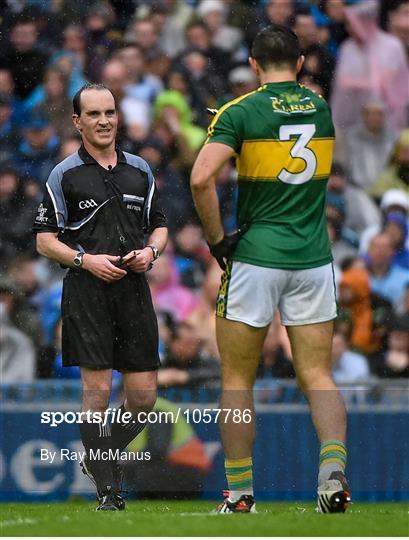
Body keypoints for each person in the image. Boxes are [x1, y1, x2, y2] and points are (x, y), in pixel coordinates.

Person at [190, 24, 350, 514]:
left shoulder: (242, 111)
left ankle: (239, 495)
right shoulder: (320, 108)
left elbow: (200, 179)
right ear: (300, 63)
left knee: (238, 378)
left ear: (255, 64)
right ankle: (333, 477)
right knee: (318, 374)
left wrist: (218, 242)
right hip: (313, 258)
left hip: (257, 256)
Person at [32, 82, 168, 511]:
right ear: (77, 122)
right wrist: (85, 261)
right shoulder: (64, 174)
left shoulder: (140, 170)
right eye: (93, 114)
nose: (104, 121)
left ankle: (99, 454)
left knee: (144, 398)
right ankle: (108, 490)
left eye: (109, 112)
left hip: (133, 290)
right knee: (97, 393)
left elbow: (160, 225)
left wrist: (151, 251)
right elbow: (44, 241)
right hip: (87, 291)